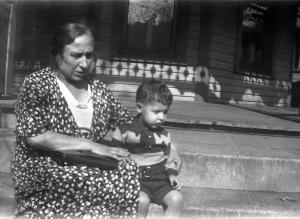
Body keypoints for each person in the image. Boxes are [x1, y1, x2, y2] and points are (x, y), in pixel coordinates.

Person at [11, 22, 141, 218]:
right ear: (57, 54)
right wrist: (90, 145)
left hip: (88, 164)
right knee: (78, 180)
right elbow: (35, 136)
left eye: (89, 55)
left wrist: (153, 139)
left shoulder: (98, 90)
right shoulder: (37, 84)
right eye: (76, 55)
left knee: (128, 169)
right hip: (46, 166)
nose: (84, 63)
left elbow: (127, 122)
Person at [112, 80, 184, 219]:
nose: (162, 117)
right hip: (135, 182)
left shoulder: (164, 135)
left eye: (165, 112)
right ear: (140, 107)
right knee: (141, 201)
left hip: (160, 182)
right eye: (156, 112)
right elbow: (114, 153)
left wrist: (171, 174)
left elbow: (171, 155)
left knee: (177, 199)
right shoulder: (126, 131)